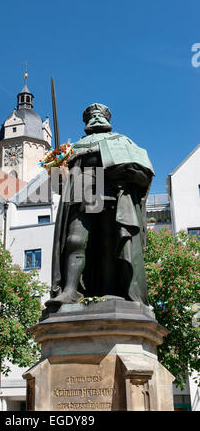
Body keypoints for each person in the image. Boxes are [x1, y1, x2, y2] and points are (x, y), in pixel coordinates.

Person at [45, 103, 154, 307]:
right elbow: (59, 184)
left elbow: (143, 173)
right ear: (86, 122)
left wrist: (130, 173)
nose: (95, 118)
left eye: (99, 115)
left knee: (109, 242)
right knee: (75, 239)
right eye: (91, 116)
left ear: (107, 120)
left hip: (112, 192)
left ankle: (111, 291)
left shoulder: (122, 141)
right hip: (81, 190)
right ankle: (70, 290)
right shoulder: (72, 148)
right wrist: (57, 170)